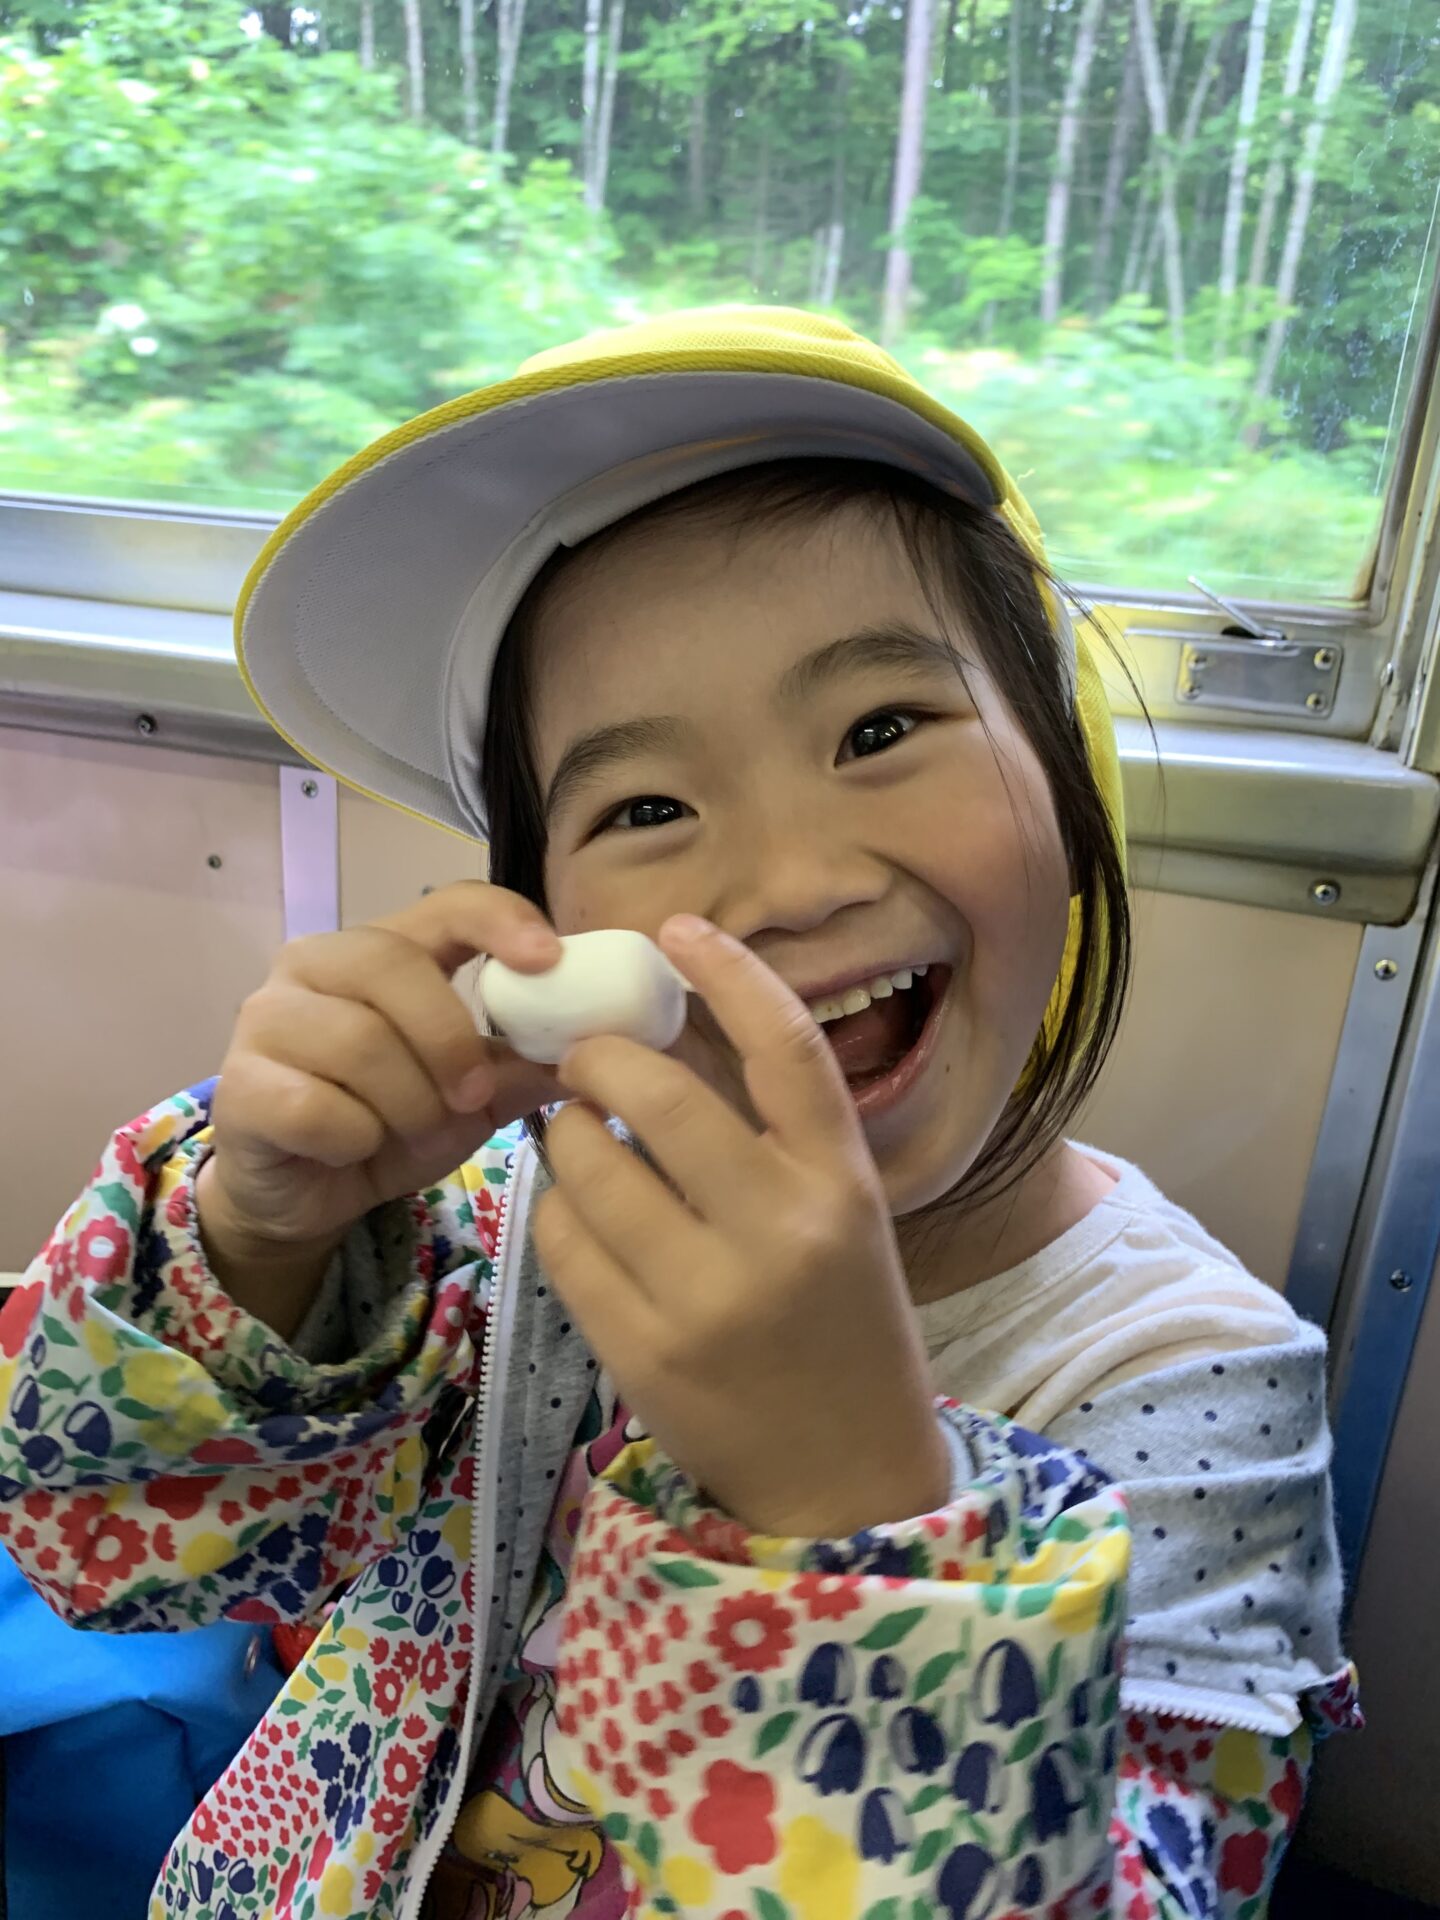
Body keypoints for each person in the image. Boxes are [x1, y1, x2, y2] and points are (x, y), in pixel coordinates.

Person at [0, 305, 1358, 1920]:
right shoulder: (514, 1219)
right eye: (645, 805)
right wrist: (261, 1239)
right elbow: (124, 1554)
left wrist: (848, 1510)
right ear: (547, 935)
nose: (787, 883)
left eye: (879, 730)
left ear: (1069, 785)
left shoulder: (1196, 1394)